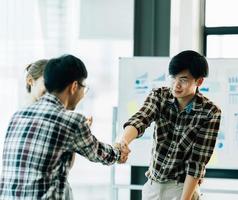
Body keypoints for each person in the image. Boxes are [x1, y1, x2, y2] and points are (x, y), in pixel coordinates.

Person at [0, 54, 130, 199]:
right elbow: (101, 154)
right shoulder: (72, 121)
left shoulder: (17, 116)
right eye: (84, 88)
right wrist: (119, 151)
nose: (83, 94)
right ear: (74, 86)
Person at [117, 50, 221, 200]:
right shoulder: (159, 96)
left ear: (199, 81)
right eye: (173, 78)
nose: (176, 85)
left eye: (183, 80)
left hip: (182, 188)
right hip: (153, 185)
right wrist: (124, 141)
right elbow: (141, 118)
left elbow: (197, 163)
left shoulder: (210, 112)